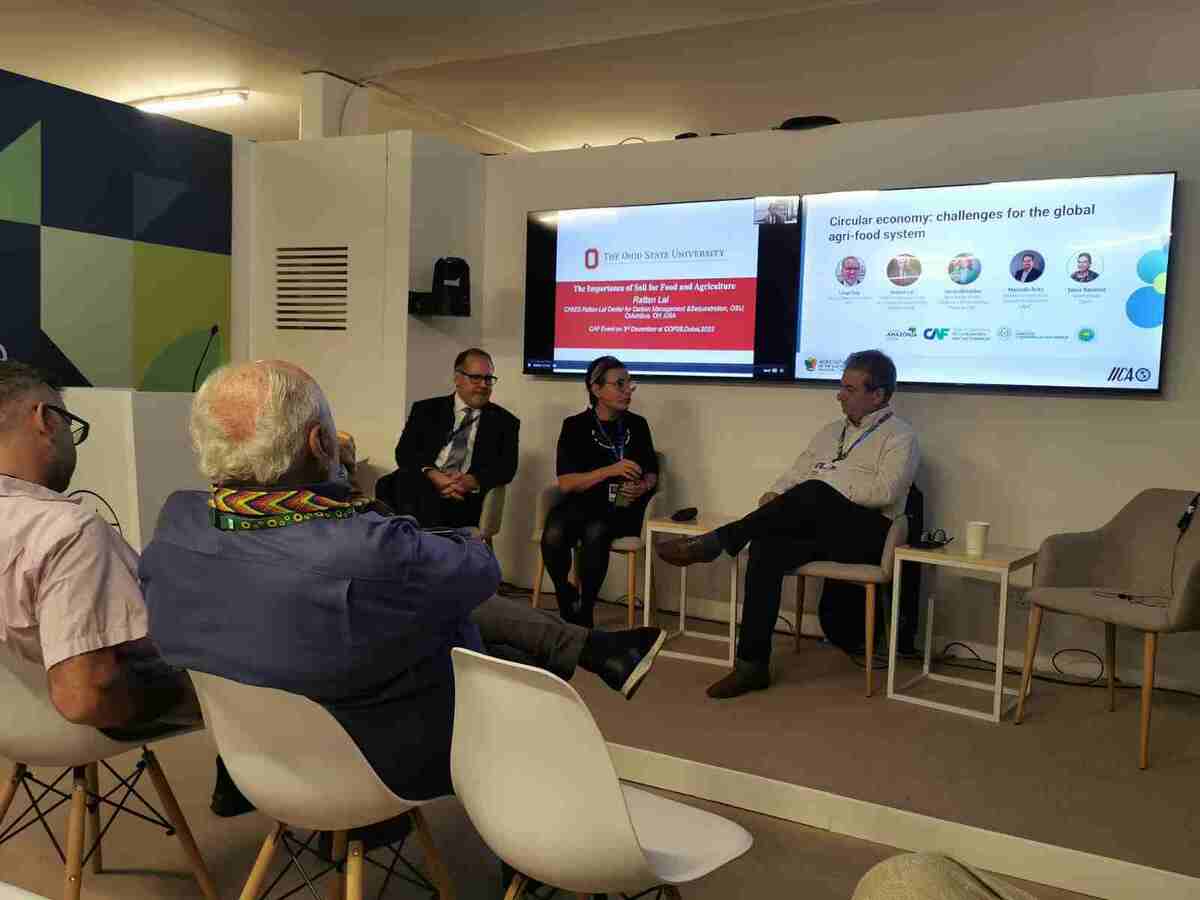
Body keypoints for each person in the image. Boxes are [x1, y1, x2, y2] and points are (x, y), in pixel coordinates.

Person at [140, 359, 665, 808]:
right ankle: (540, 853)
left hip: (255, 754)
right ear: (319, 442)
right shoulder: (365, 547)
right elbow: (480, 570)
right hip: (371, 761)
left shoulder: (179, 520)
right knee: (515, 668)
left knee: (426, 608)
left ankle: (593, 649)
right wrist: (349, 493)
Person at [656, 350, 919, 699]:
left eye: (849, 389)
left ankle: (720, 540)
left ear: (878, 395)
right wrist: (776, 494)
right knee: (766, 547)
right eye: (841, 386)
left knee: (815, 490)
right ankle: (751, 665)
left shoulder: (900, 436)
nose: (839, 396)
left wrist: (827, 486)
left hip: (871, 535)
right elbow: (796, 473)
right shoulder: (830, 432)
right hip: (821, 528)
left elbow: (886, 491)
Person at [0, 361, 190, 731]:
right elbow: (84, 697)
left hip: (14, 728)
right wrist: (212, 699)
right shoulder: (68, 531)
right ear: (46, 420)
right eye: (69, 424)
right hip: (71, 726)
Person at [542, 356, 659, 628]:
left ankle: (586, 610)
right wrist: (609, 470)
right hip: (580, 504)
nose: (627, 390)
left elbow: (652, 472)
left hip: (620, 507)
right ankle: (564, 593)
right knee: (554, 533)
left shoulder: (638, 425)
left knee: (595, 532)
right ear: (596, 389)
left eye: (629, 384)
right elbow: (567, 483)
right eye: (619, 384)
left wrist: (643, 486)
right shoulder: (574, 426)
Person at [381, 348, 519, 527]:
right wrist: (433, 475)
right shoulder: (426, 410)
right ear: (457, 378)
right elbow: (404, 453)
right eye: (476, 378)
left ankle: (411, 539)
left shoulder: (505, 422)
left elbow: (507, 468)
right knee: (392, 482)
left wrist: (471, 480)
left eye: (488, 379)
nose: (484, 385)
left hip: (464, 496)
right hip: (424, 484)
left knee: (403, 490)